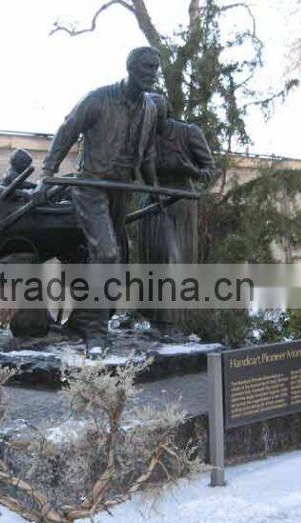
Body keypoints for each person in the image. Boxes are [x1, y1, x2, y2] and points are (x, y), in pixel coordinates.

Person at [36, 46, 161, 353]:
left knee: (116, 259)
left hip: (120, 191)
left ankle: (85, 318)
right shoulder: (99, 99)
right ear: (130, 68)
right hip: (90, 187)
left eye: (155, 68)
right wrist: (48, 171)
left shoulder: (150, 109)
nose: (152, 74)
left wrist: (155, 189)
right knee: (106, 254)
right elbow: (67, 130)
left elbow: (146, 156)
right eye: (146, 67)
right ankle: (96, 332)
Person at [138, 93, 219, 332]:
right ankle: (155, 321)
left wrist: (190, 170)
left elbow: (209, 171)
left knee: (174, 258)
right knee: (152, 259)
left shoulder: (188, 132)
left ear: (167, 113)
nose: (155, 124)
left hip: (180, 201)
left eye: (159, 118)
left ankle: (174, 323)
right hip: (152, 201)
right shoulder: (142, 135)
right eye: (150, 118)